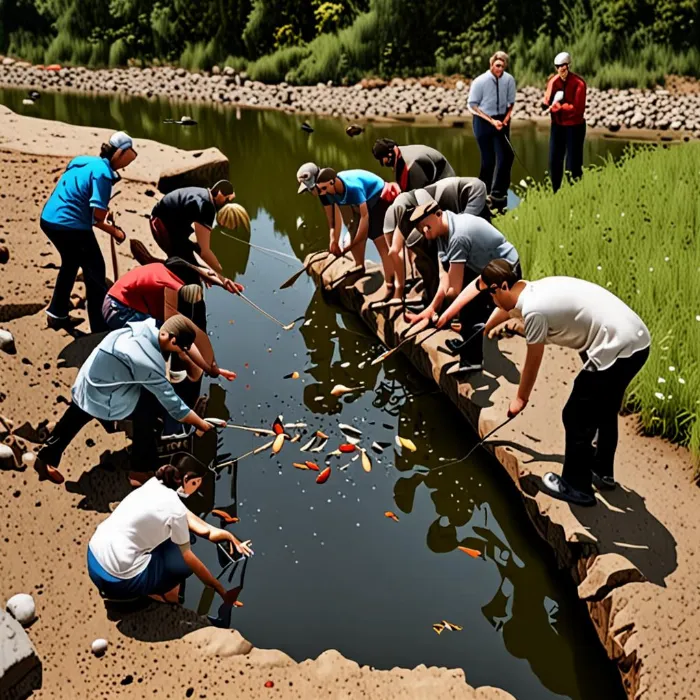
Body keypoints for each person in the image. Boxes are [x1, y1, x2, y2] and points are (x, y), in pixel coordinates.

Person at [480, 262, 651, 506]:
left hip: (616, 345)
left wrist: (520, 399)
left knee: (575, 415)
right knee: (605, 406)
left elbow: (533, 359)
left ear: (503, 286)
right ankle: (602, 472)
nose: (492, 302)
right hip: (637, 341)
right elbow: (507, 309)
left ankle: (576, 486)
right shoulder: (531, 289)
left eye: (491, 294)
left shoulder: (535, 312)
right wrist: (488, 328)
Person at [34, 315, 226, 485]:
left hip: (89, 379)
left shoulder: (145, 326)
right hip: (104, 394)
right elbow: (173, 404)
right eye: (179, 349)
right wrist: (200, 424)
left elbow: (182, 345)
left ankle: (46, 456)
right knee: (148, 408)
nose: (180, 353)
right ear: (173, 339)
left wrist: (210, 368)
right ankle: (139, 470)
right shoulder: (147, 360)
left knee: (75, 415)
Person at [87, 462, 253, 603]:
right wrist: (221, 590)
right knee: (182, 563)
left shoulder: (153, 484)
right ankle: (159, 594)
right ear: (185, 481)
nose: (196, 489)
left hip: (94, 554)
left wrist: (231, 538)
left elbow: (205, 530)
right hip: (117, 582)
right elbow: (192, 562)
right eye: (195, 484)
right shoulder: (175, 511)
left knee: (181, 537)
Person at [405, 201, 520, 373]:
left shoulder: (458, 236)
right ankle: (468, 342)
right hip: (482, 267)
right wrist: (432, 309)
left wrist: (444, 317)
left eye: (426, 226)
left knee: (471, 309)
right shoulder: (442, 232)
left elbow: (454, 290)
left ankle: (472, 359)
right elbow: (445, 276)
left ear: (438, 214)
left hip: (505, 271)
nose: (425, 232)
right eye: (421, 229)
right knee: (465, 307)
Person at [40, 131, 137, 332]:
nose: (126, 166)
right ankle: (99, 328)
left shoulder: (83, 161)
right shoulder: (103, 174)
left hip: (50, 219)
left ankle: (57, 314)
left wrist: (102, 212)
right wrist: (116, 233)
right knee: (96, 271)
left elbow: (81, 194)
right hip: (70, 226)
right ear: (119, 154)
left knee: (71, 261)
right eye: (126, 159)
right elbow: (97, 219)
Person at [383, 177, 488, 301]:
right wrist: (398, 292)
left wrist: (399, 290)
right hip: (455, 203)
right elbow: (394, 251)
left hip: (473, 193)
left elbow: (439, 238)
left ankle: (483, 293)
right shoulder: (400, 216)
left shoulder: (422, 203)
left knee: (465, 247)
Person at [297, 163, 398, 292]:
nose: (311, 193)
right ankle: (359, 267)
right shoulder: (324, 192)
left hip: (376, 197)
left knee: (378, 239)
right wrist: (333, 240)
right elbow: (332, 219)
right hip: (358, 204)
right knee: (349, 237)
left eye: (310, 189)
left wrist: (354, 243)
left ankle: (391, 285)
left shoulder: (351, 187)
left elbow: (365, 218)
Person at [102, 258, 244, 331]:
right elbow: (170, 323)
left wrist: (223, 283)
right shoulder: (171, 287)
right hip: (117, 310)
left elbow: (199, 270)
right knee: (159, 334)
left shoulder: (167, 267)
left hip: (112, 298)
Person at [149, 180, 235, 273]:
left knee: (193, 252)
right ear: (219, 193)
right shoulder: (207, 205)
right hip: (161, 225)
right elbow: (205, 252)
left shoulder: (203, 193)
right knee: (187, 268)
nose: (226, 204)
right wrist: (221, 273)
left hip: (163, 220)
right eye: (226, 200)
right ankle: (159, 268)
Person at [467, 51, 516, 210]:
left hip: (502, 120)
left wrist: (505, 120)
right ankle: (481, 193)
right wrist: (491, 121)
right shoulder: (480, 81)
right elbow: (472, 105)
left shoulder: (509, 80)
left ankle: (498, 193)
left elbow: (511, 103)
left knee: (507, 155)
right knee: (488, 160)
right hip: (483, 121)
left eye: (502, 66)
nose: (500, 69)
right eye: (497, 66)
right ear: (491, 64)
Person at [542, 52, 587, 193]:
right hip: (558, 126)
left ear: (568, 66)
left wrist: (560, 108)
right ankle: (555, 191)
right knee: (554, 160)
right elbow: (548, 97)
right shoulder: (553, 81)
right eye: (558, 67)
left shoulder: (579, 84)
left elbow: (578, 109)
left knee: (573, 163)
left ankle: (575, 190)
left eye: (563, 66)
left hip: (575, 127)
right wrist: (546, 103)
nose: (561, 69)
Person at [371, 139, 455, 192]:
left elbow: (420, 194)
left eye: (382, 160)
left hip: (447, 185)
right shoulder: (400, 154)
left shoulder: (412, 163)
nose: (384, 164)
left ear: (389, 154)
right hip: (435, 182)